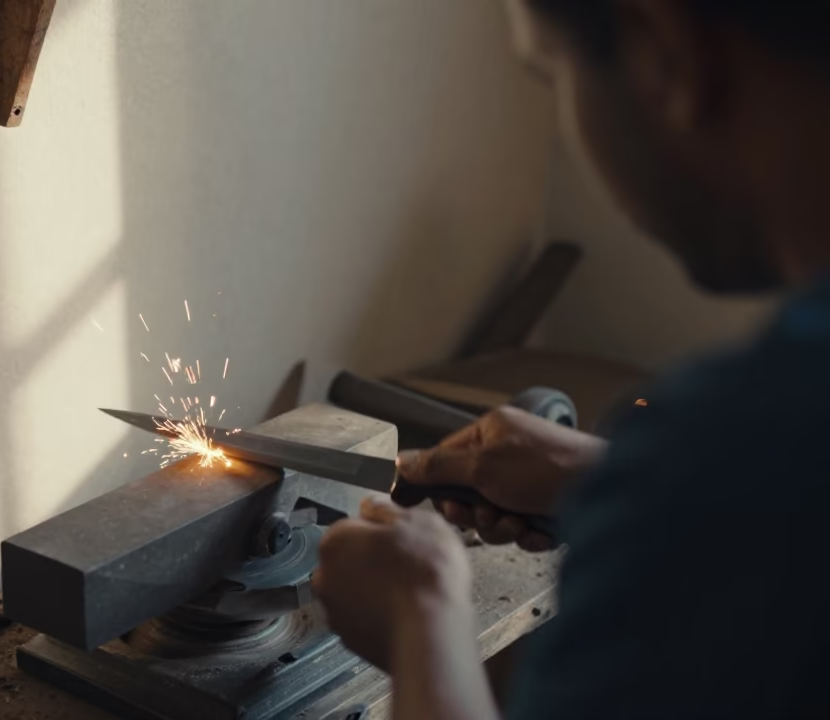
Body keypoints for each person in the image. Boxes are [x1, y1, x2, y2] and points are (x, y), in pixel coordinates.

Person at [312, 1, 830, 718]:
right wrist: (605, 480)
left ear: (663, 49)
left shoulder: (726, 448)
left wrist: (419, 622)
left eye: (552, 73)